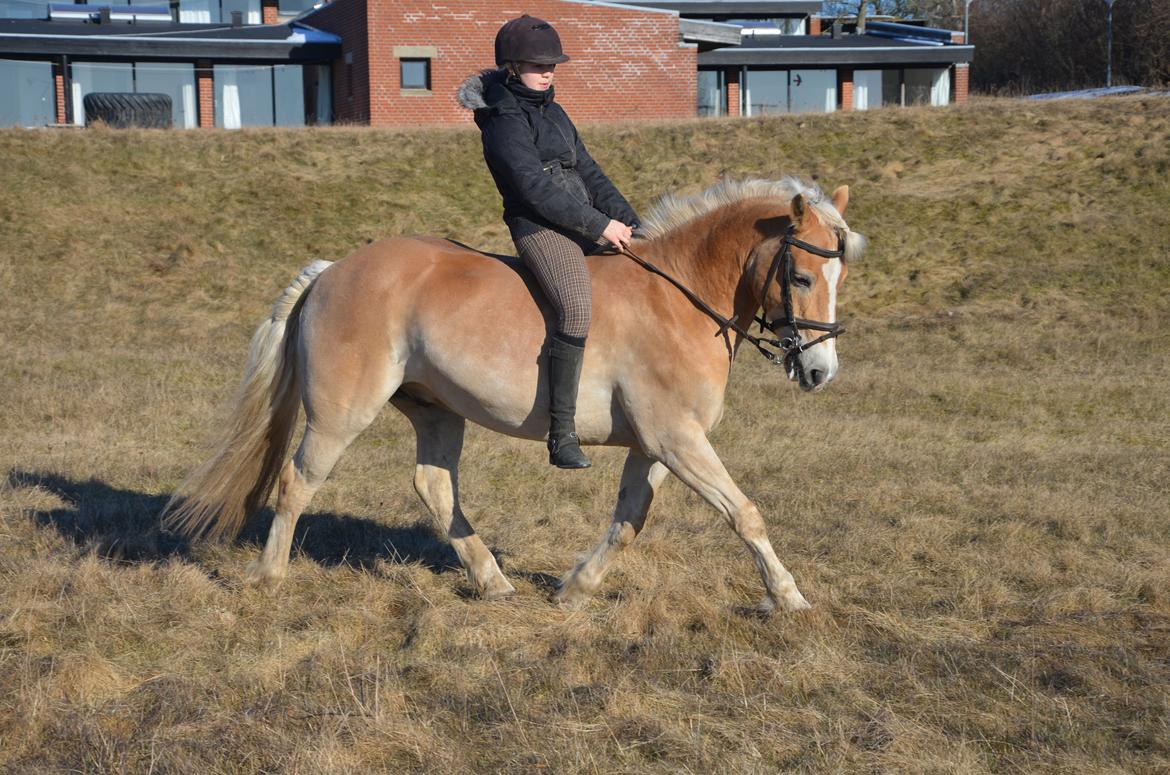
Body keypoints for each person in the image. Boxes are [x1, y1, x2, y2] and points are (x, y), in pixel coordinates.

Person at [457, 14, 642, 470]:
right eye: (538, 65)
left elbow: (590, 173)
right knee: (578, 306)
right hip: (538, 226)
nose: (548, 72)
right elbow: (532, 190)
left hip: (583, 220)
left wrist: (633, 223)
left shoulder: (553, 110)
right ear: (510, 67)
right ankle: (561, 432)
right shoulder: (502, 119)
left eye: (553, 65)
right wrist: (599, 227)